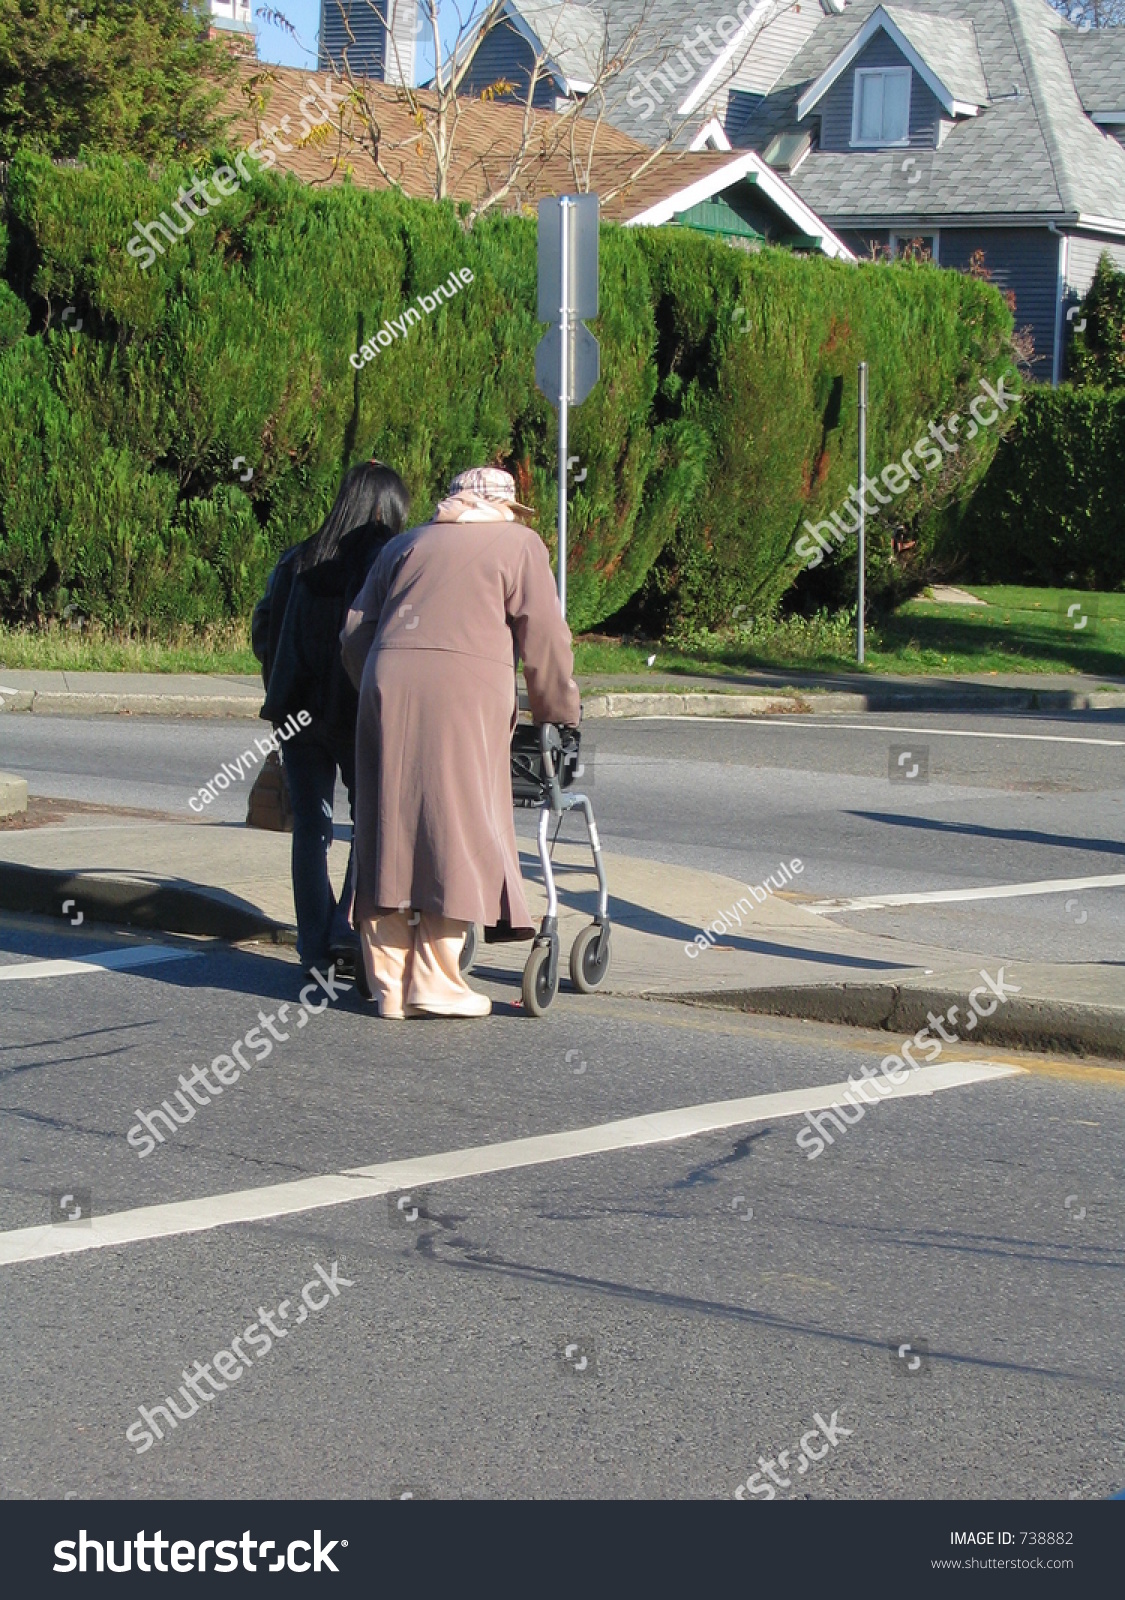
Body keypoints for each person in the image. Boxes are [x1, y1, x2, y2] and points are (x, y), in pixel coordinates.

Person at [340, 466, 580, 1019]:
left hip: (385, 683)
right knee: (458, 822)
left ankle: (388, 986)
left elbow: (354, 632)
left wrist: (378, 685)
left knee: (387, 827)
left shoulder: (405, 544)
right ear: (504, 508)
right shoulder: (521, 544)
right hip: (464, 691)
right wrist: (559, 711)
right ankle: (435, 980)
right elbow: (545, 637)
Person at [252, 460, 410, 978]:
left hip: (296, 713)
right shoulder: (385, 563)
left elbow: (262, 629)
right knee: (369, 823)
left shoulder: (297, 559)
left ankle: (315, 947)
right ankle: (351, 927)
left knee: (311, 829)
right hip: (356, 713)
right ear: (386, 508)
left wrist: (278, 680)